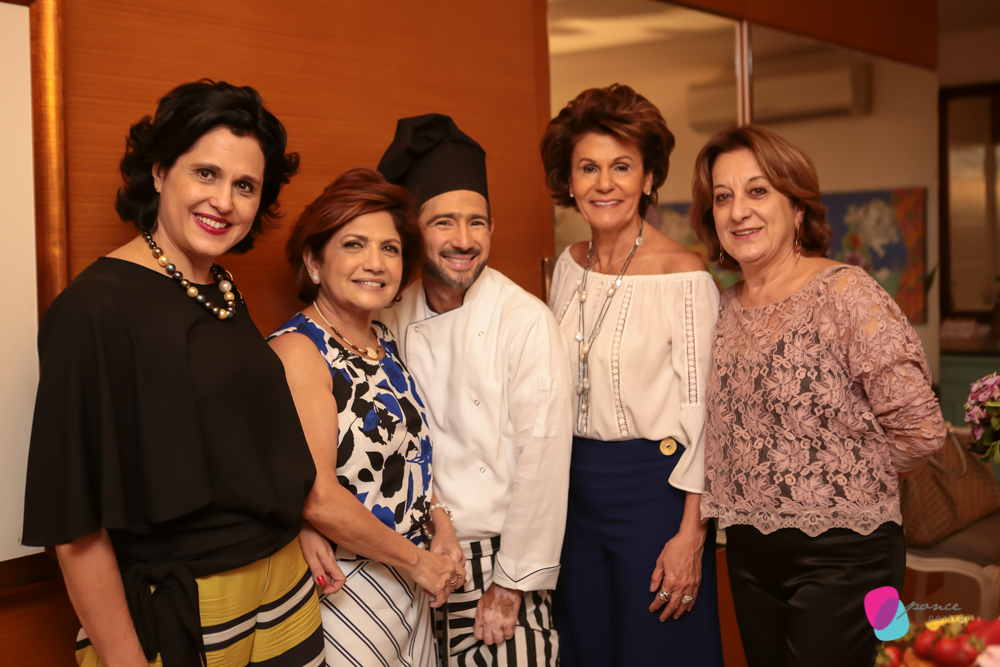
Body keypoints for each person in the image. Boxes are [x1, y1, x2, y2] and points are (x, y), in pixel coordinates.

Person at [21, 80, 326, 666]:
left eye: (245, 186)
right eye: (205, 173)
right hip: (188, 612)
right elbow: (75, 526)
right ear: (159, 172)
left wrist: (298, 524)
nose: (224, 202)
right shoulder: (95, 308)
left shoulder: (218, 285)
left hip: (288, 595)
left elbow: (244, 447)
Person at [691, 124, 946, 667]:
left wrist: (840, 478)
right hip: (748, 552)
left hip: (849, 555)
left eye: (758, 191)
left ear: (797, 207)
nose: (739, 211)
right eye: (723, 197)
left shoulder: (846, 294)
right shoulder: (720, 309)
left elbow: (921, 430)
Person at [375, 113, 573, 667]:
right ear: (414, 228)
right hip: (409, 561)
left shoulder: (525, 321)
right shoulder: (389, 314)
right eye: (444, 222)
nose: (463, 241)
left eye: (477, 223)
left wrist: (510, 585)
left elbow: (544, 461)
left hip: (496, 561)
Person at [540, 84, 725, 666]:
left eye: (621, 167)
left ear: (647, 179)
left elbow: (707, 416)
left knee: (658, 649)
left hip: (654, 493)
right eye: (588, 168)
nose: (604, 183)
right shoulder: (567, 266)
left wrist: (692, 533)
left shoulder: (684, 275)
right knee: (585, 648)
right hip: (572, 492)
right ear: (570, 182)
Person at [268, 168, 466, 667]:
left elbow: (406, 456)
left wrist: (440, 522)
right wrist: (419, 562)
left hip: (410, 582)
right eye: (354, 245)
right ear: (314, 261)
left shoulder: (384, 343)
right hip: (346, 586)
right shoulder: (299, 351)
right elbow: (318, 498)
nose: (375, 263)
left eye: (390, 248)